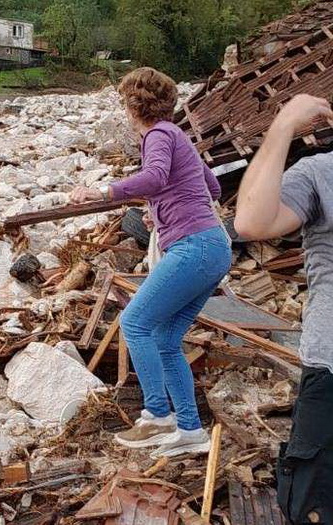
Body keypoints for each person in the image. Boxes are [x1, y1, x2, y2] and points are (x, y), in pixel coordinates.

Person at [70, 67, 231, 458]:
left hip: (193, 247)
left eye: (125, 101)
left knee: (135, 323)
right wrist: (162, 211)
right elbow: (211, 187)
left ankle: (158, 415)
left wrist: (104, 190)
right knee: (164, 338)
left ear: (133, 105)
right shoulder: (179, 136)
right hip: (213, 248)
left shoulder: (158, 134)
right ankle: (190, 429)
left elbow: (156, 176)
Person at [234, 94, 333, 525]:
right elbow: (252, 222)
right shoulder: (320, 172)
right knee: (312, 508)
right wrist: (283, 125)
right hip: (332, 369)